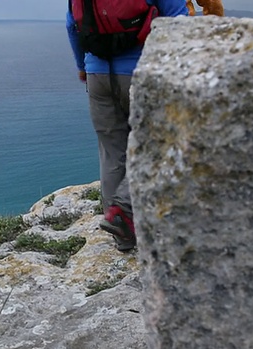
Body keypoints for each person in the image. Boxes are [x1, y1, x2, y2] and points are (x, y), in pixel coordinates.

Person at [66, 0, 188, 251]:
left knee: (112, 152)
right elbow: (179, 23)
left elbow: (71, 26)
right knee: (157, 145)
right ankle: (124, 211)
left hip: (97, 76)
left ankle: (121, 232)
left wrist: (82, 67)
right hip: (141, 72)